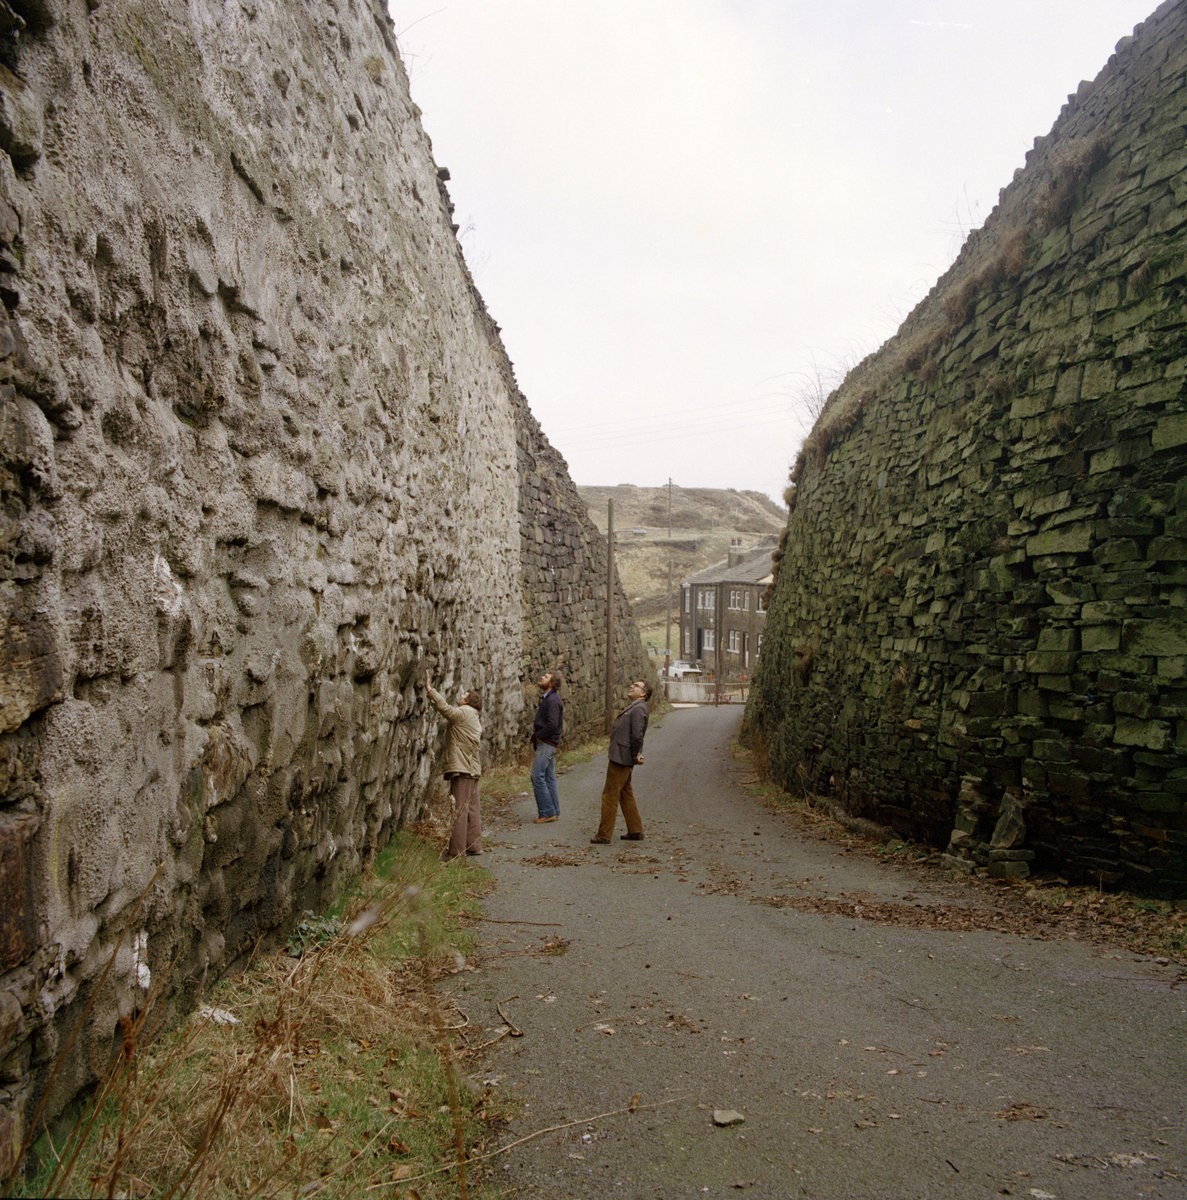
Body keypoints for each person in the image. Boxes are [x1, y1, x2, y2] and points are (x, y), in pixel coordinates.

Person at [424, 670, 483, 859]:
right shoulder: (474, 716)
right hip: (472, 769)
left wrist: (430, 691)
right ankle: (474, 845)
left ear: (468, 701)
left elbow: (447, 710)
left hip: (463, 769)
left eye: (464, 694)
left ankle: (456, 852)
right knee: (472, 808)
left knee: (458, 809)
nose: (461, 695)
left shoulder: (465, 712)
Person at [591, 679, 652, 844]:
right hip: (623, 756)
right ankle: (635, 830)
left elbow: (637, 735)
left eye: (636, 686)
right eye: (633, 684)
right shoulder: (636, 707)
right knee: (626, 794)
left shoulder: (638, 708)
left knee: (610, 795)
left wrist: (635, 755)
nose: (632, 686)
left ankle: (604, 834)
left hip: (621, 758)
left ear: (643, 694)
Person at [530, 670, 564, 824]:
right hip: (548, 742)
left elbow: (552, 725)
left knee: (537, 776)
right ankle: (553, 811)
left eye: (546, 677)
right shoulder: (549, 699)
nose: (541, 677)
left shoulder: (553, 700)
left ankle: (547, 812)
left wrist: (539, 736)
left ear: (551, 683)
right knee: (549, 777)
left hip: (547, 743)